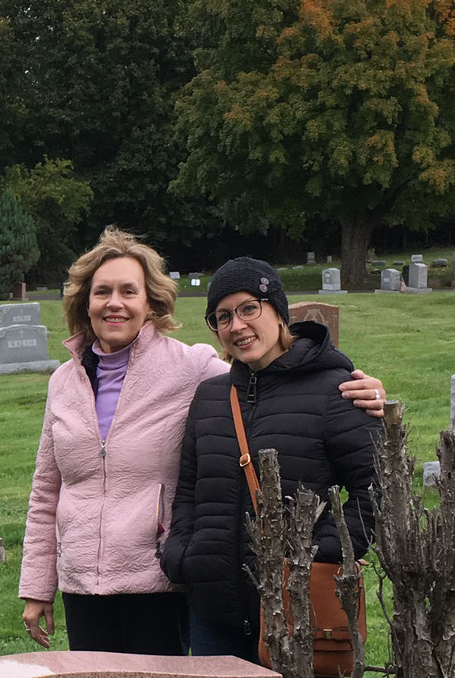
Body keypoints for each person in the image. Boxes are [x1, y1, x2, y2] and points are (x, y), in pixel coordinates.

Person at [21, 229, 385, 655]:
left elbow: (270, 377)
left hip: (155, 584)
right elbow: (47, 490)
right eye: (102, 291)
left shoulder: (189, 367)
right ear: (85, 302)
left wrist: (366, 387)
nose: (114, 302)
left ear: (150, 302)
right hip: (82, 585)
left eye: (128, 291)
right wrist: (37, 585)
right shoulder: (63, 383)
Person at [161, 257, 379, 678]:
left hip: (304, 609)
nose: (236, 325)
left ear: (280, 313)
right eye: (223, 316)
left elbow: (376, 498)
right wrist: (183, 557)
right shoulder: (211, 398)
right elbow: (189, 493)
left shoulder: (337, 392)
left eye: (248, 309)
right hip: (219, 610)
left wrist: (317, 558)